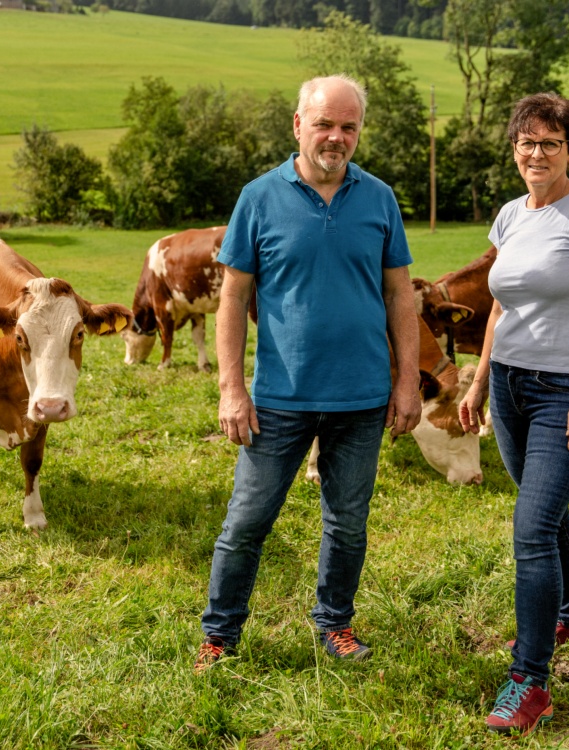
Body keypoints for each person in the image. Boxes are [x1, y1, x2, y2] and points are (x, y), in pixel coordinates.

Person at [193, 74, 421, 673]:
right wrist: (232, 388)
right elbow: (232, 299)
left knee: (347, 524)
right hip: (278, 399)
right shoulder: (259, 197)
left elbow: (400, 296)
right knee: (246, 522)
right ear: (298, 125)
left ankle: (335, 625)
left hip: (363, 396)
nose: (336, 137)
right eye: (324, 124)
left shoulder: (380, 199)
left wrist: (407, 382)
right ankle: (220, 636)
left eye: (348, 127)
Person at [457, 92, 569, 735]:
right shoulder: (508, 217)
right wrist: (478, 383)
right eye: (527, 143)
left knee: (530, 529)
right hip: (507, 387)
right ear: (515, 149)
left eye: (550, 144)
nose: (537, 154)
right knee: (545, 509)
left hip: (564, 390)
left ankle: (530, 680)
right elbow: (501, 306)